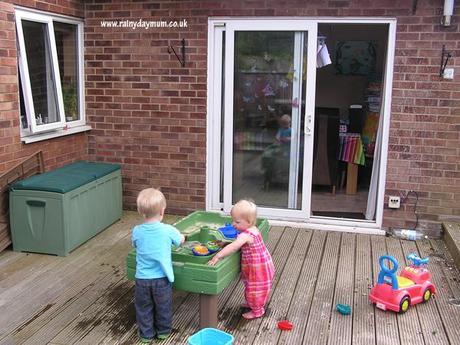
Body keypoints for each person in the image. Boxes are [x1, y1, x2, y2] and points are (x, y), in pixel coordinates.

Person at [132, 188, 185, 343]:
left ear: (141, 211)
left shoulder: (137, 231)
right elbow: (180, 240)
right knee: (163, 306)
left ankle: (146, 335)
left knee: (143, 308)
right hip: (162, 279)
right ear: (162, 211)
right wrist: (182, 237)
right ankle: (163, 331)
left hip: (142, 279)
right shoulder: (168, 230)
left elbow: (135, 244)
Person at [208, 199, 275, 319]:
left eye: (237, 222)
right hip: (262, 264)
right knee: (255, 288)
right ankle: (253, 304)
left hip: (258, 269)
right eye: (233, 220)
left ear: (249, 221)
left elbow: (234, 247)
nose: (233, 224)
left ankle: (257, 311)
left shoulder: (246, 235)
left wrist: (218, 255)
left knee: (254, 291)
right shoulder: (253, 229)